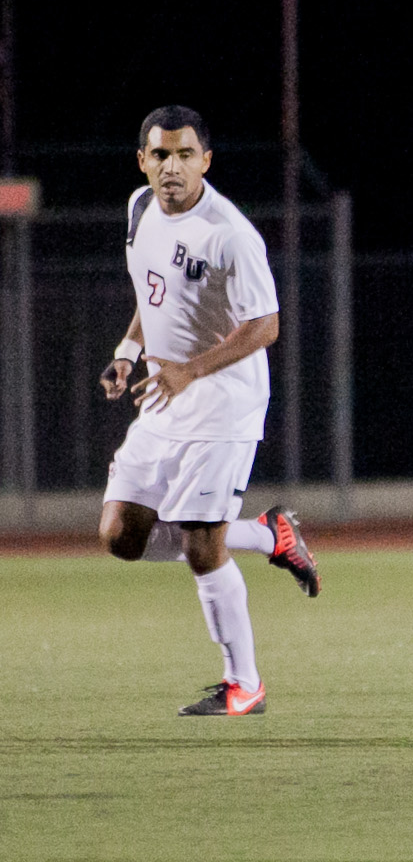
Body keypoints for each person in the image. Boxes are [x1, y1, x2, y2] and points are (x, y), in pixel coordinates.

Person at [98, 105, 320, 718]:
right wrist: (128, 352)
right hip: (163, 397)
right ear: (143, 160)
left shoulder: (230, 233)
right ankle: (266, 534)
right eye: (161, 155)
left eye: (186, 154)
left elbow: (267, 325)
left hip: (224, 403)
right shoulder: (139, 208)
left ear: (206, 161)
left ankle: (243, 684)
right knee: (120, 535)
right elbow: (152, 291)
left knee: (200, 547)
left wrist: (190, 369)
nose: (173, 167)